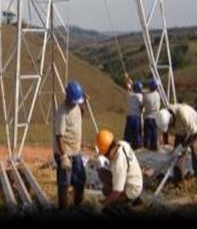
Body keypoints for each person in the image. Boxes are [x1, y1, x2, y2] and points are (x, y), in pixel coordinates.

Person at [53, 80, 87, 210]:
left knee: (80, 179)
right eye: (75, 101)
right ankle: (63, 209)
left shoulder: (76, 105)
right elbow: (59, 136)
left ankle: (78, 206)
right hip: (65, 152)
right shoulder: (62, 113)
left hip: (76, 150)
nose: (76, 104)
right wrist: (63, 156)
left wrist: (83, 101)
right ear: (68, 97)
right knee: (64, 183)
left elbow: (80, 113)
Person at [155, 104, 197, 186]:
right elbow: (165, 131)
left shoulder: (183, 115)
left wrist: (183, 146)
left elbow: (192, 132)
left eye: (170, 125)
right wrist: (174, 148)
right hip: (181, 130)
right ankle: (178, 178)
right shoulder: (164, 116)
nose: (169, 127)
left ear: (171, 119)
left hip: (193, 129)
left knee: (194, 153)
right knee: (177, 154)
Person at [95, 129, 143, 208]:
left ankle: (129, 200)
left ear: (109, 152)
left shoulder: (118, 164)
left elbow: (117, 191)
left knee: (107, 193)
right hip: (135, 181)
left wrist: (103, 203)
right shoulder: (122, 144)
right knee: (102, 173)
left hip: (132, 189)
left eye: (105, 155)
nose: (106, 157)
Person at [123, 73, 143, 150]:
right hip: (136, 117)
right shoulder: (140, 96)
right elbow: (141, 105)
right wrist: (129, 79)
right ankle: (137, 148)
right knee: (137, 134)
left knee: (128, 135)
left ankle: (126, 148)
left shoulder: (129, 95)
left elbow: (129, 88)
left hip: (129, 117)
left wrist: (127, 79)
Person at [142, 79, 161, 151]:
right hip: (155, 118)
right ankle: (155, 149)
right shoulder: (157, 95)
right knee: (154, 136)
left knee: (147, 137)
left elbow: (142, 105)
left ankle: (145, 150)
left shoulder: (146, 96)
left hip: (147, 118)